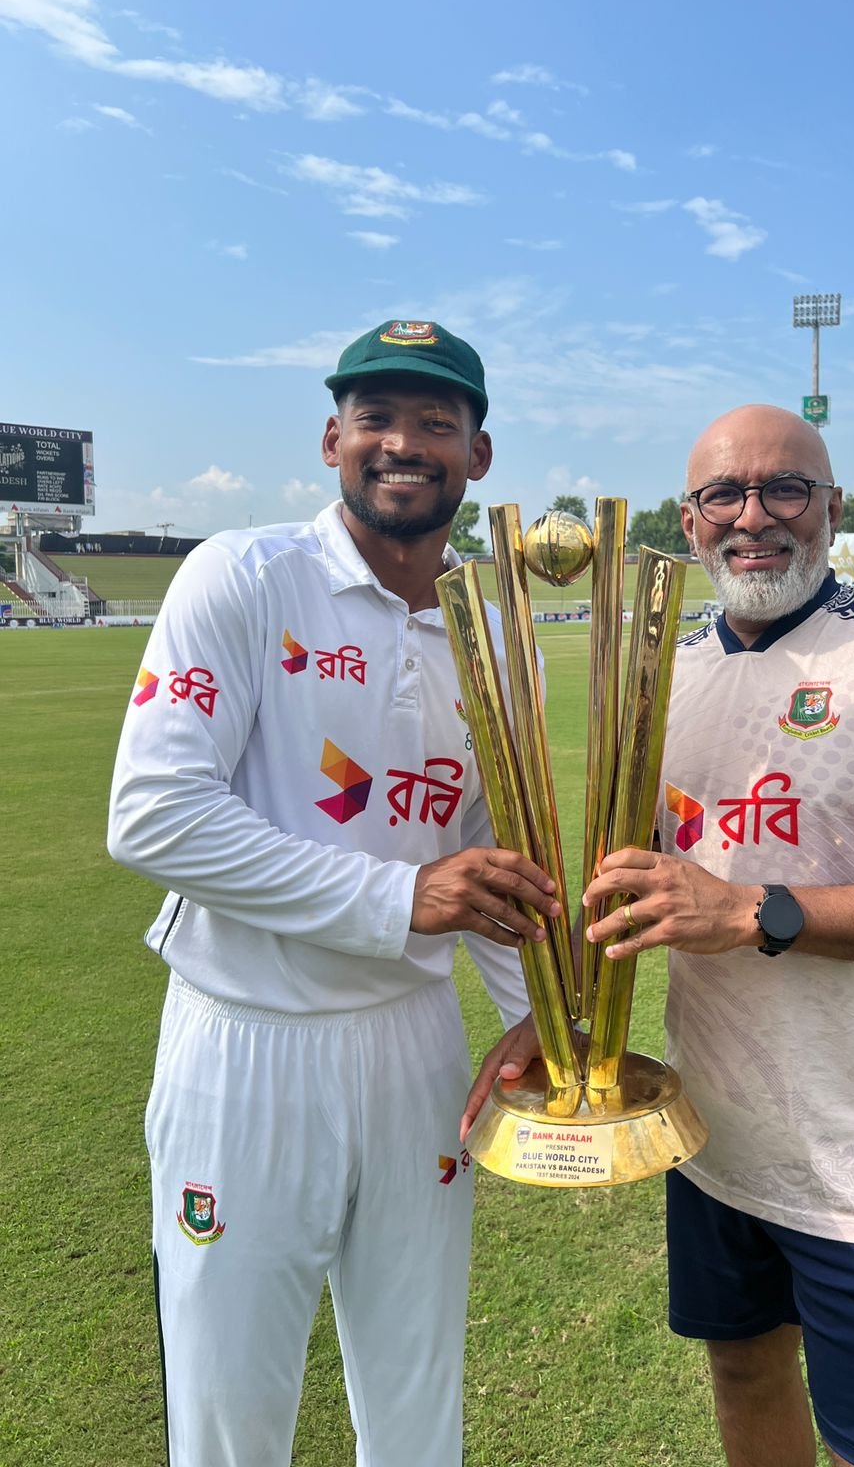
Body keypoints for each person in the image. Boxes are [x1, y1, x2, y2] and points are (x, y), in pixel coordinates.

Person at [466, 405, 854, 1467]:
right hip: (711, 1138)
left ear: (832, 508)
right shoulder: (668, 674)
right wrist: (553, 1018)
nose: (754, 517)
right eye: (723, 495)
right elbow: (632, 887)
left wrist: (752, 911)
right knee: (743, 1374)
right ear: (689, 520)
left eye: (785, 489)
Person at [108, 319, 558, 1467]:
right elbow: (154, 812)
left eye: (435, 422)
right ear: (332, 438)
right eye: (376, 418)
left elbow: (489, 842)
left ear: (478, 454)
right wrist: (399, 898)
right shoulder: (245, 575)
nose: (403, 442)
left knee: (416, 1398)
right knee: (229, 1412)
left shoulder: (498, 635)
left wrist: (533, 1012)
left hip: (414, 1048)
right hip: (245, 1040)